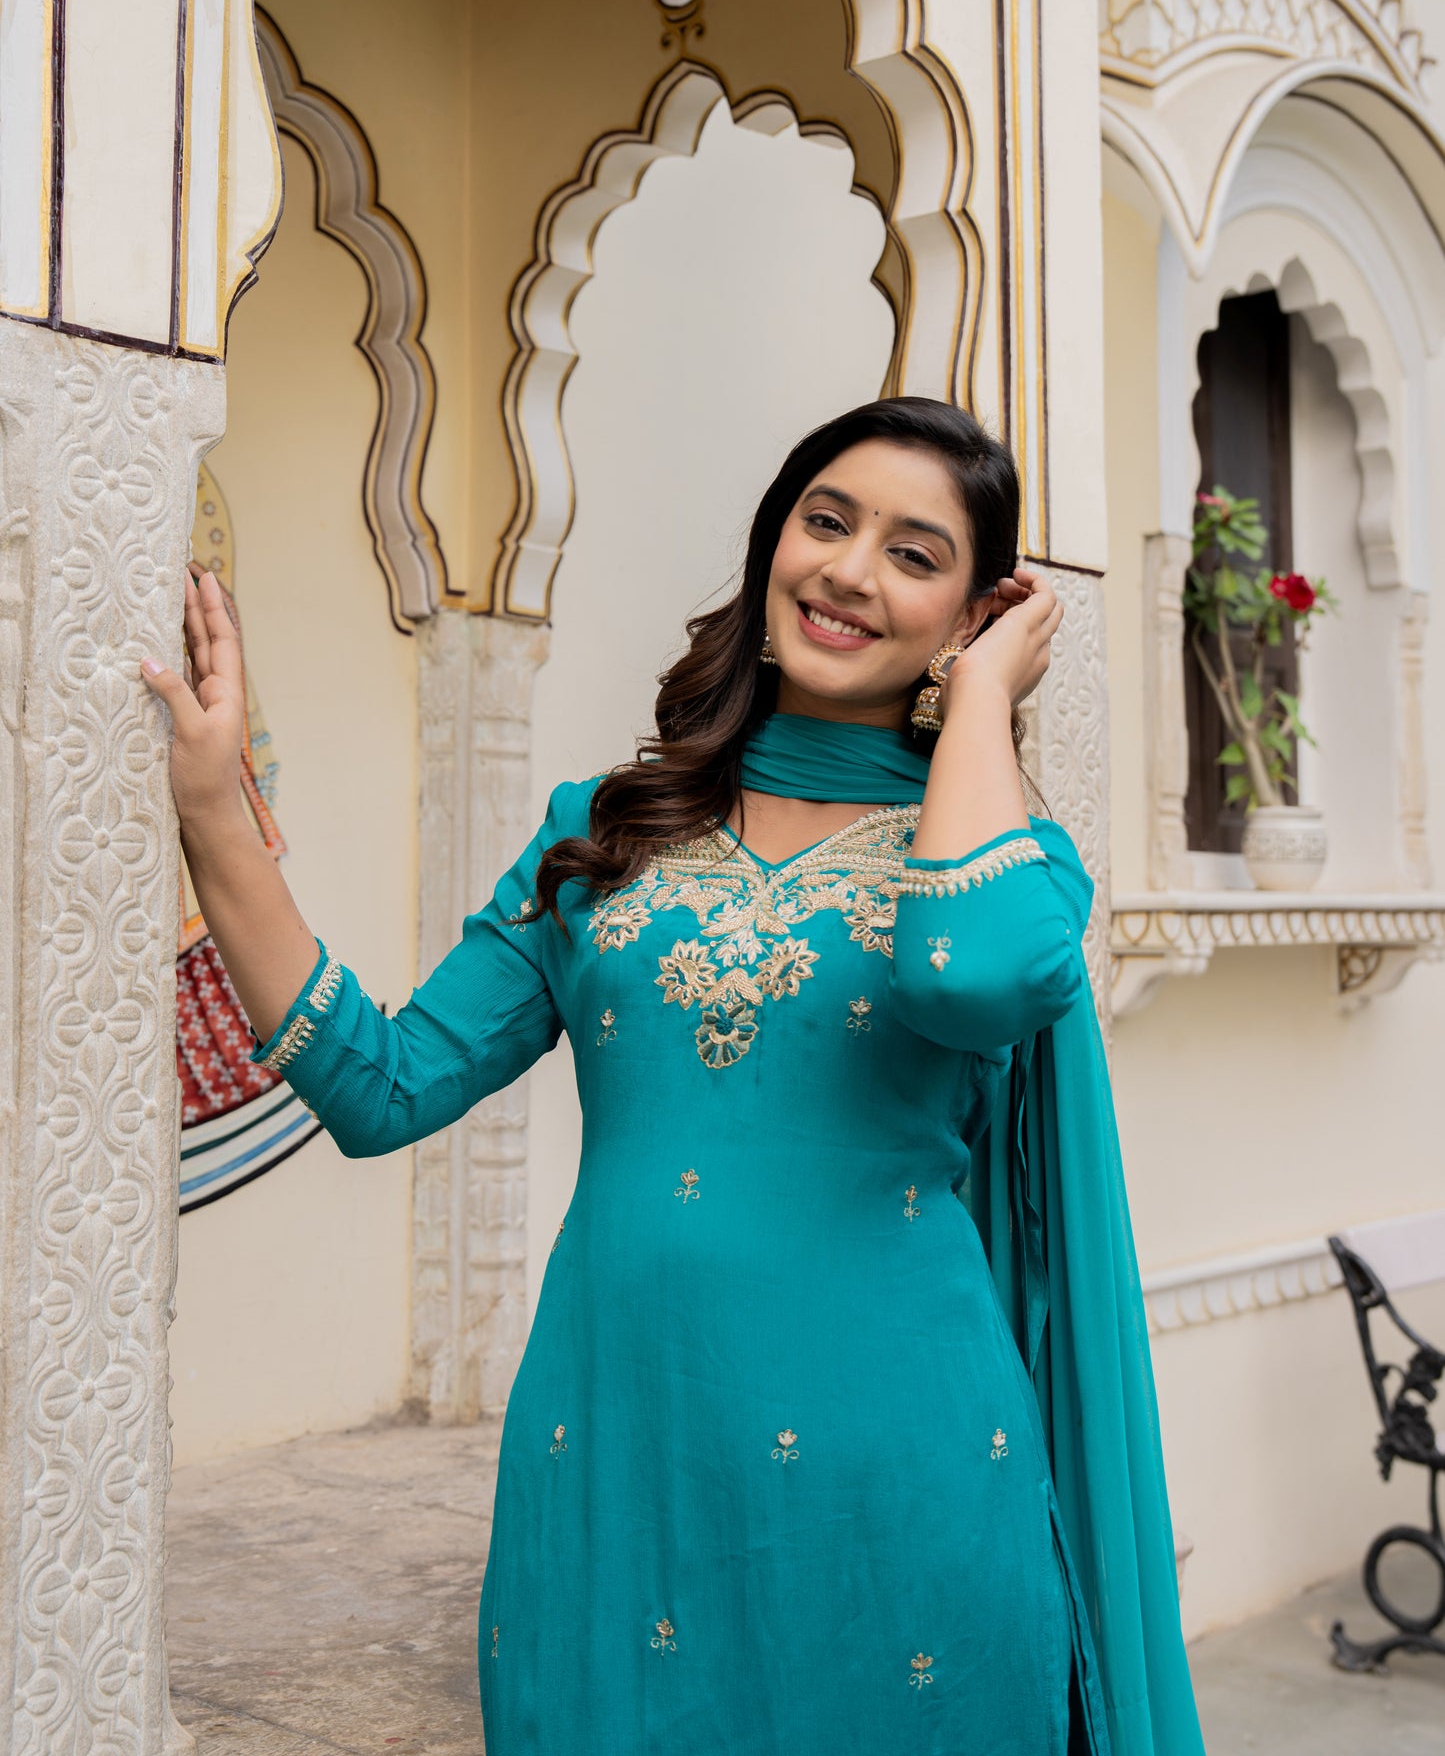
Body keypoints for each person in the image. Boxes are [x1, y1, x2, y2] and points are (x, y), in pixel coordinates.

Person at [143, 397, 1204, 1756]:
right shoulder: (604, 834)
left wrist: (982, 703)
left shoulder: (1012, 865)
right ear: (771, 546)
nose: (847, 569)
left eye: (913, 554)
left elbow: (965, 974)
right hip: (622, 1465)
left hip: (906, 1475)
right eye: (825, 522)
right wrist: (216, 805)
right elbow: (382, 1086)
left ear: (966, 617)